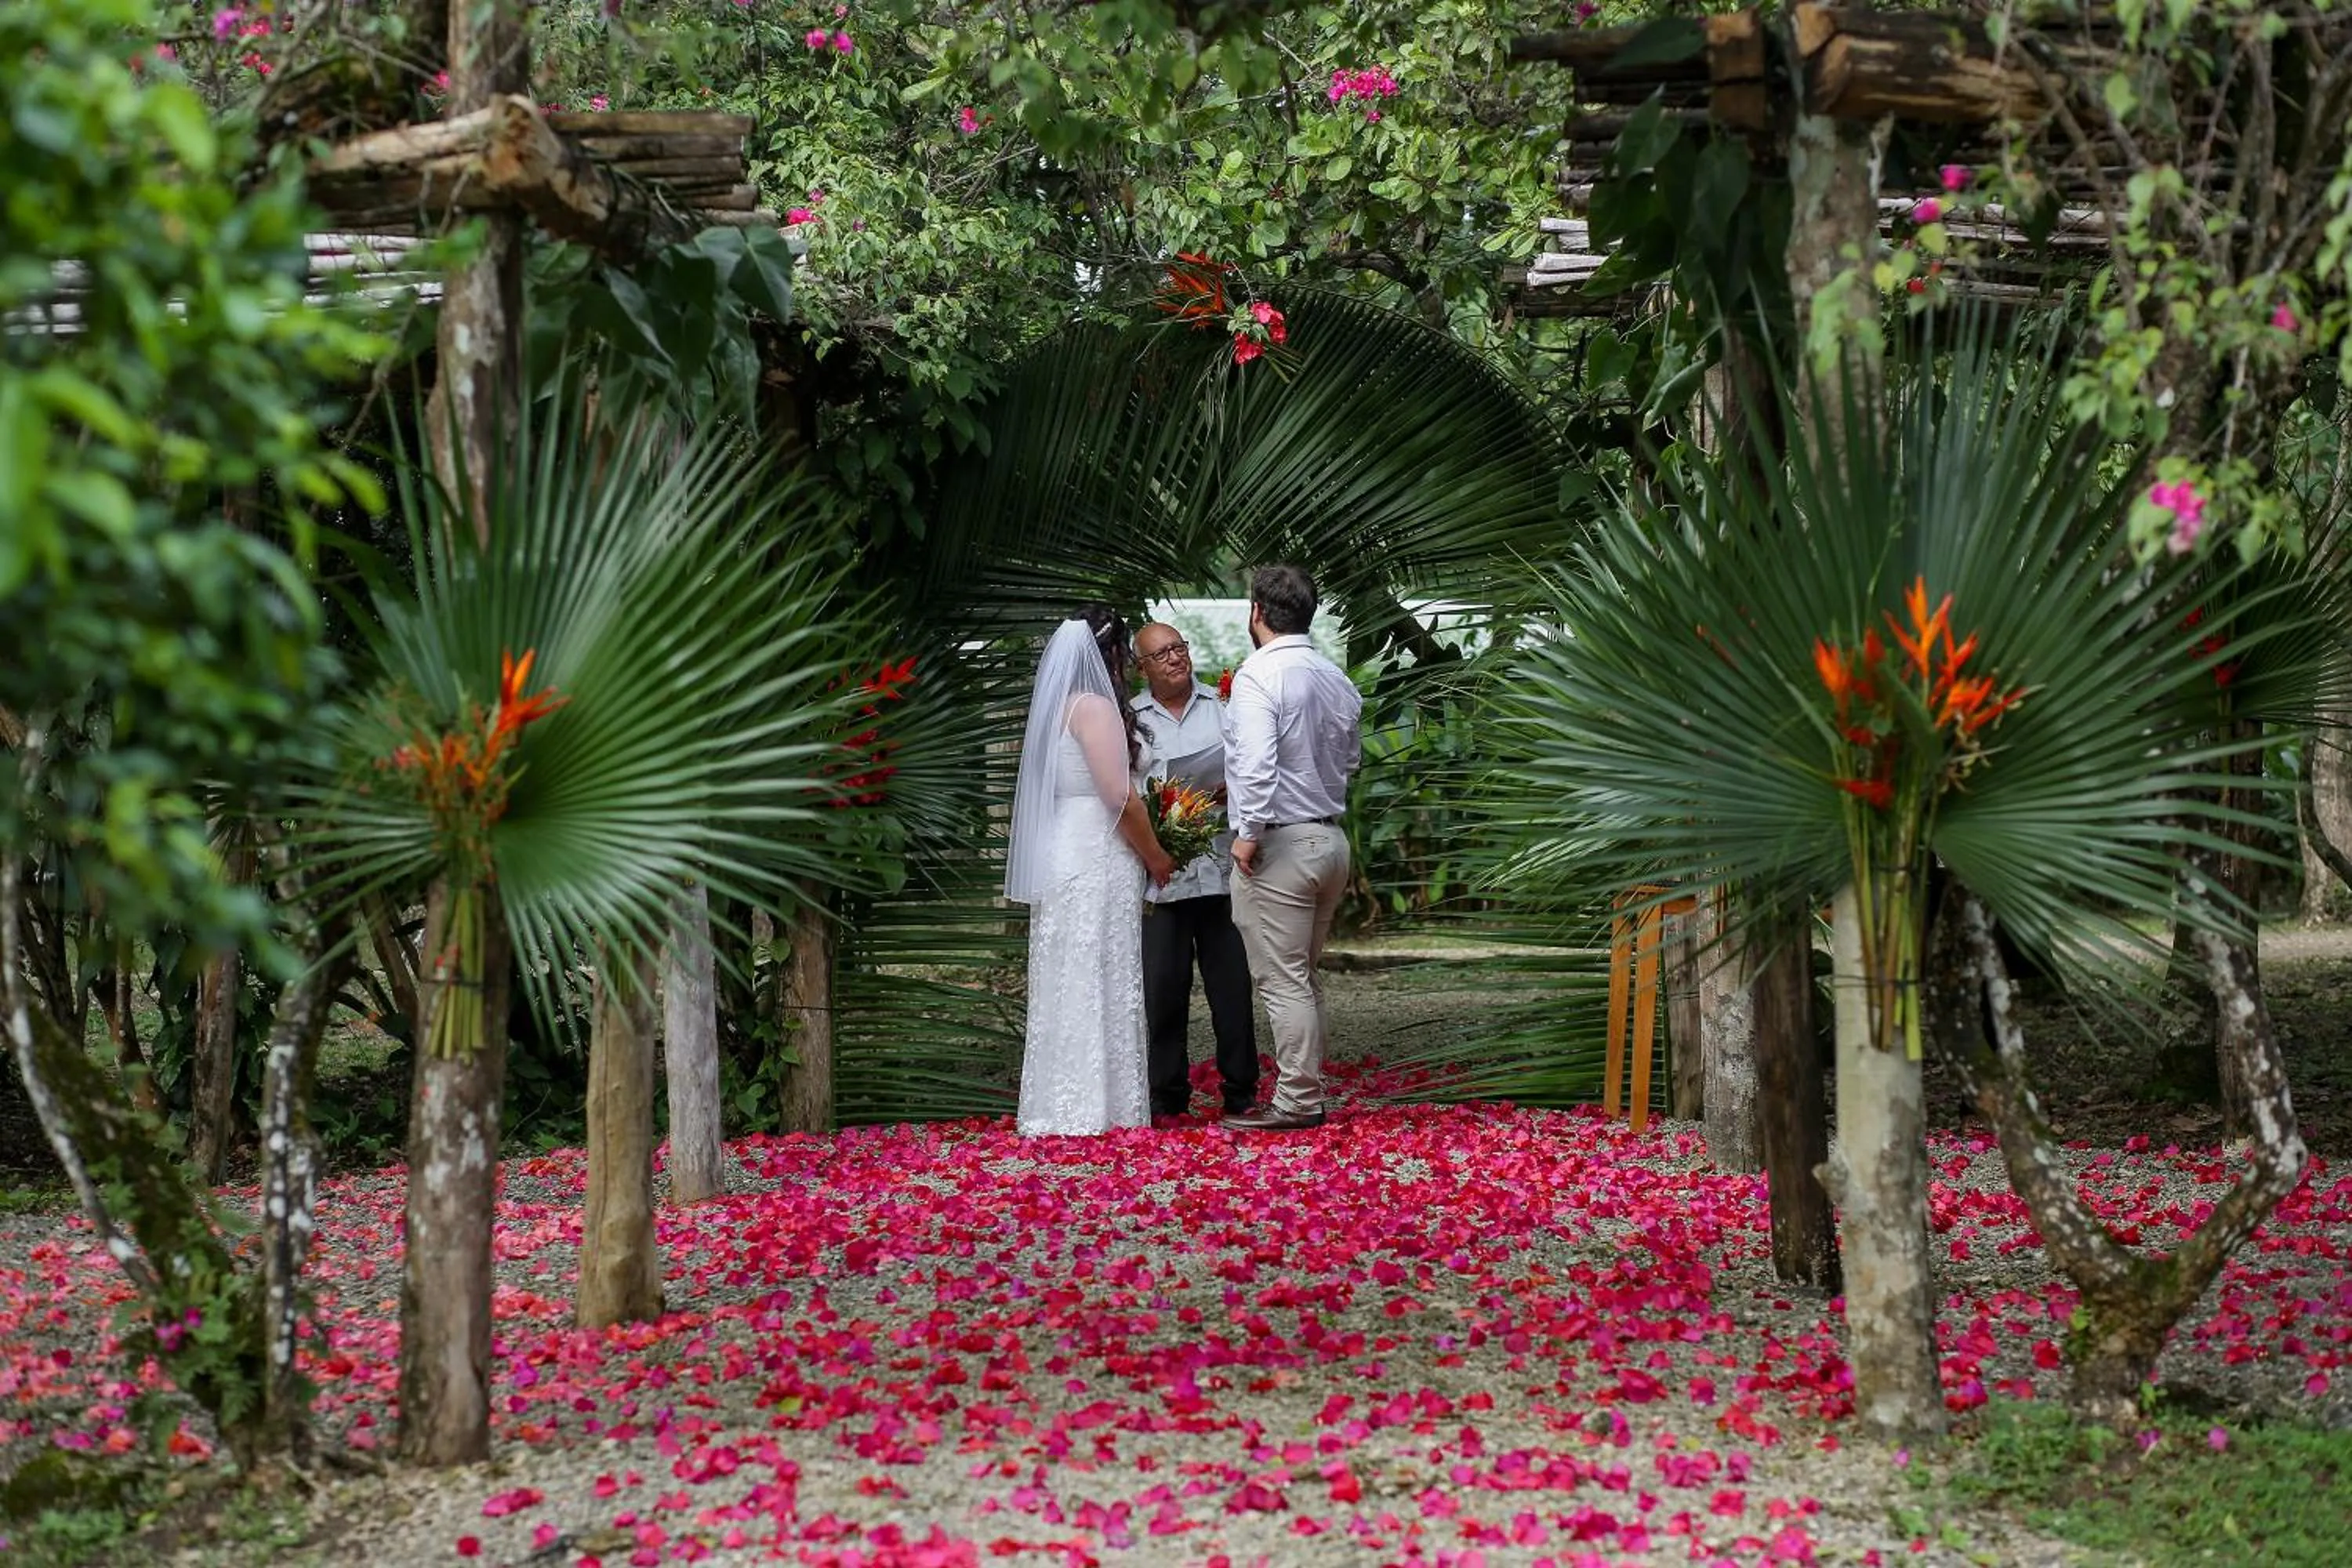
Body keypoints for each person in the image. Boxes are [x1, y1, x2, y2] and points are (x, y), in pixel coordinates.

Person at [1004, 607, 1176, 1136]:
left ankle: (1059, 1103)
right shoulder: (1096, 707)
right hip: (1097, 851)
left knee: (1069, 974)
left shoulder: (1055, 706)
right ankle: (1098, 1108)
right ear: (1116, 653)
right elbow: (1120, 797)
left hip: (1066, 847)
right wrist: (1158, 858)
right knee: (1100, 968)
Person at [1221, 565, 1363, 1133]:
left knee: (1283, 980)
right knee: (1301, 974)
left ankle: (1299, 1101)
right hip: (1330, 837)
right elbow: (1350, 759)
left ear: (1257, 612)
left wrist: (1247, 836)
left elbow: (1255, 765)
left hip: (1283, 841)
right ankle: (1306, 1090)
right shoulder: (1334, 676)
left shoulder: (1261, 675)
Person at [1130, 622, 1258, 1119]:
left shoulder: (1225, 706)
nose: (1175, 658)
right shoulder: (1131, 720)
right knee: (1163, 989)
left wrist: (1234, 787)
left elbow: (1253, 764)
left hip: (1222, 868)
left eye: (1179, 647)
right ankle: (1167, 1096)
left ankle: (1242, 1091)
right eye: (1161, 654)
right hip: (1163, 878)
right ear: (1142, 668)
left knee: (1232, 988)